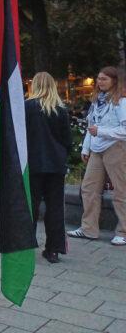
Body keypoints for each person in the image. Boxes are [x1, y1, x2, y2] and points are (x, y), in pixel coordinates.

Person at [68, 66, 126, 246]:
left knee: (121, 190)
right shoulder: (97, 101)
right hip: (97, 148)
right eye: (99, 79)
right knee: (89, 188)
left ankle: (123, 231)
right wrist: (86, 148)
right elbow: (91, 126)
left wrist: (101, 131)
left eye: (104, 79)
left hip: (116, 147)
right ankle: (88, 228)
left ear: (114, 81)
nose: (100, 82)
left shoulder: (121, 102)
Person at [25, 72, 72, 263]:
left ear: (34, 85)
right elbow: (67, 140)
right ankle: (53, 249)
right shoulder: (60, 109)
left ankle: (25, 246)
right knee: (54, 208)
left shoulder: (27, 107)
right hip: (55, 164)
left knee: (30, 207)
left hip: (33, 163)